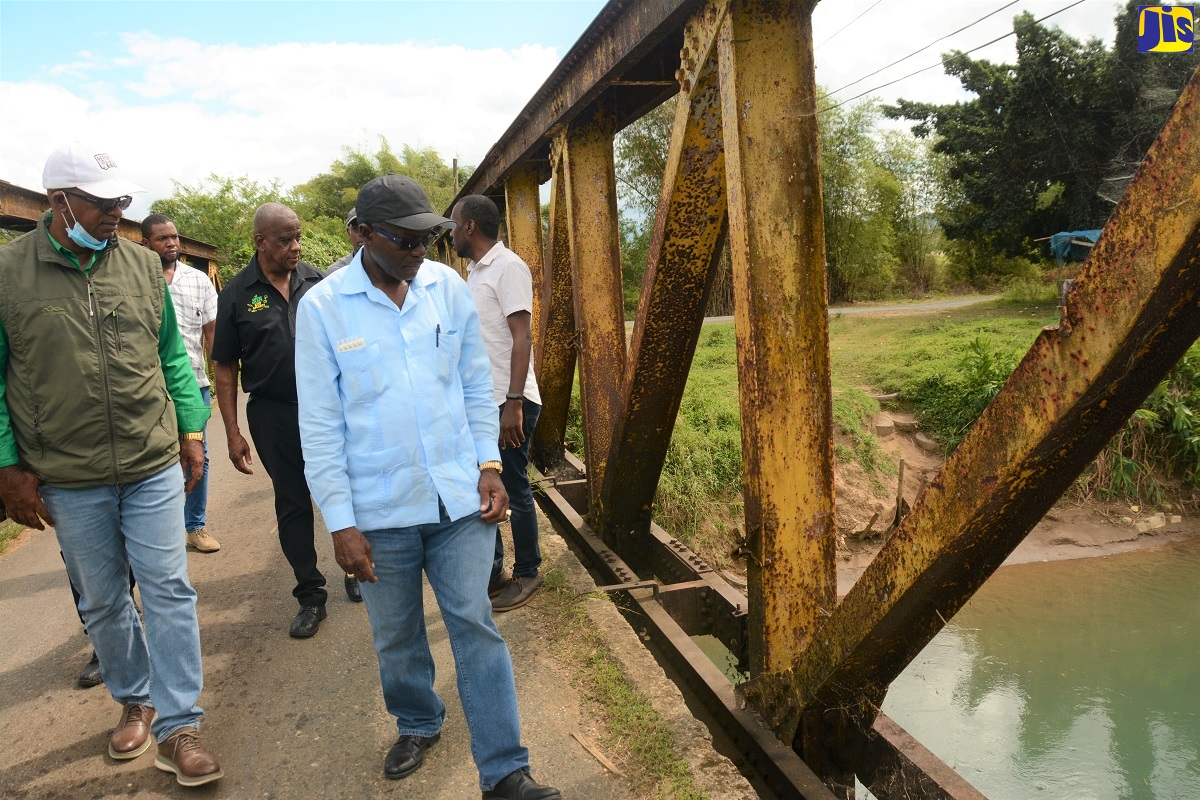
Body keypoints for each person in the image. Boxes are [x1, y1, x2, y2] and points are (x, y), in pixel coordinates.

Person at [295, 174, 561, 799]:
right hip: (378, 510)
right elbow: (320, 425)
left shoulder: (446, 290)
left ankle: (505, 770)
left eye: (428, 239)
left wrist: (489, 467)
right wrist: (339, 522)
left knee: (474, 621)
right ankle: (418, 720)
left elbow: (474, 384)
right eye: (404, 240)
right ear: (360, 233)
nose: (420, 252)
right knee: (396, 635)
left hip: (457, 499)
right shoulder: (324, 309)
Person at [0, 142, 222, 786]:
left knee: (169, 589)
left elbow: (173, 359)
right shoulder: (9, 274)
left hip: (150, 459)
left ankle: (180, 725)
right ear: (57, 202)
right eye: (103, 203)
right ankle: (136, 696)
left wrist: (191, 428)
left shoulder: (140, 266)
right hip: (68, 474)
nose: (116, 214)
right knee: (102, 601)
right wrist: (8, 466)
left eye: (122, 202)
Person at [211, 203, 339, 636]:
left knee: (349, 485)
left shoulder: (318, 282)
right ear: (260, 242)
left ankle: (358, 567)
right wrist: (232, 430)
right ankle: (310, 595)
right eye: (284, 240)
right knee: (293, 500)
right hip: (274, 413)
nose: (295, 247)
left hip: (329, 408)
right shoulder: (237, 293)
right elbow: (225, 367)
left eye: (297, 237)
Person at [451, 195, 545, 612]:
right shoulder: (474, 273)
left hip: (509, 402)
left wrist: (513, 401)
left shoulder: (509, 267)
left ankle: (528, 572)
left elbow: (521, 336)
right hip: (486, 400)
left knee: (514, 487)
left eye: (454, 225)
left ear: (470, 227)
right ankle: (493, 575)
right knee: (487, 485)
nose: (450, 233)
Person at [142, 213, 220, 554]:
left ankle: (195, 527)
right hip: (149, 388)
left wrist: (220, 375)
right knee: (157, 458)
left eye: (174, 237)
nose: (171, 243)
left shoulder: (199, 280)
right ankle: (164, 530)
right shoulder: (137, 280)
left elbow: (212, 331)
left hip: (195, 383)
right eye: (162, 238)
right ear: (146, 243)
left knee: (197, 453)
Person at [326, 207, 364, 272]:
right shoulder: (335, 272)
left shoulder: (386, 268)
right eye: (356, 229)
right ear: (349, 233)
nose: (362, 233)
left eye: (367, 229)